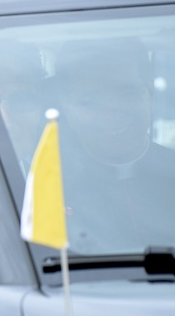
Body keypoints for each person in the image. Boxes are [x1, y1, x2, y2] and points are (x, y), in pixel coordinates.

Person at [52, 38, 175, 253]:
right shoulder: (48, 189)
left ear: (150, 96)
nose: (110, 113)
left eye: (126, 93)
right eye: (90, 101)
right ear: (68, 109)